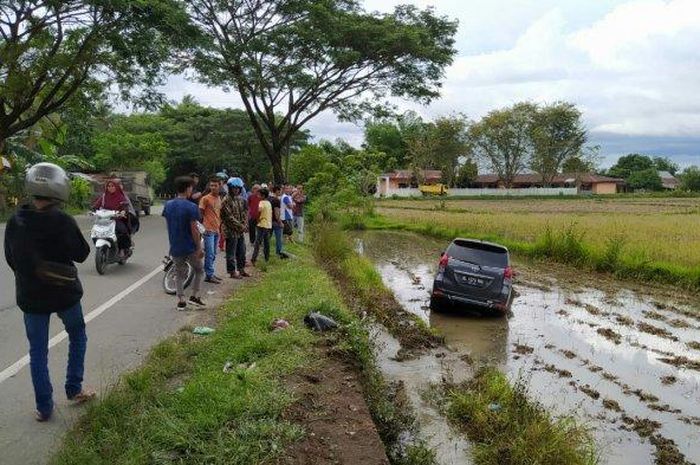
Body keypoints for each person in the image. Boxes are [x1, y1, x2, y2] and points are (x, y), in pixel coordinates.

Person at [4, 163, 94, 422]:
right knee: (77, 336)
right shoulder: (62, 220)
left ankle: (44, 408)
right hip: (64, 293)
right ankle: (74, 389)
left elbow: (11, 258)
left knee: (37, 352)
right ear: (59, 187)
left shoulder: (15, 220)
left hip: (30, 296)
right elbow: (82, 253)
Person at [163, 176, 206, 310]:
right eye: (191, 188)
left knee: (179, 273)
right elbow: (194, 230)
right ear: (188, 189)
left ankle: (181, 300)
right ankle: (194, 296)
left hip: (175, 245)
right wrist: (199, 248)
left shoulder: (168, 205)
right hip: (189, 245)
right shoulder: (192, 207)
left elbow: (168, 225)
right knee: (199, 270)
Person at [92, 178, 135, 257]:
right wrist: (93, 210)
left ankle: (122, 249)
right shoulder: (104, 196)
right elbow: (96, 205)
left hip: (117, 219)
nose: (110, 188)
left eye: (112, 186)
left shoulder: (121, 196)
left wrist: (122, 212)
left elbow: (125, 206)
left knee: (121, 231)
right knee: (97, 230)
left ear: (116, 187)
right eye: (108, 186)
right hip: (105, 219)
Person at [221, 178, 249, 279]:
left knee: (242, 251)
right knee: (231, 252)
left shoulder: (241, 199)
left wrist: (245, 224)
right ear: (229, 188)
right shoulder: (226, 200)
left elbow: (245, 212)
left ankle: (241, 269)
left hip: (240, 230)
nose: (236, 190)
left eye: (238, 188)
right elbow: (229, 217)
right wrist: (241, 226)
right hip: (230, 230)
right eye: (234, 188)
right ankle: (232, 271)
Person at [199, 176, 223, 283]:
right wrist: (201, 228)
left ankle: (210, 273)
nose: (213, 187)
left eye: (215, 185)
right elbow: (200, 214)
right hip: (208, 230)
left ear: (220, 186)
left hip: (217, 229)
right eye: (211, 185)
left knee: (213, 254)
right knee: (209, 253)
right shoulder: (205, 199)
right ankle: (209, 274)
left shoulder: (219, 198)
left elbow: (219, 214)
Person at [251, 187, 272, 264]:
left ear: (263, 196)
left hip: (261, 224)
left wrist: (257, 219)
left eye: (259, 195)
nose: (258, 196)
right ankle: (267, 258)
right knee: (266, 243)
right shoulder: (269, 203)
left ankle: (254, 258)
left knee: (257, 242)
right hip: (268, 225)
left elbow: (259, 211)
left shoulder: (261, 202)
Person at [269, 185, 286, 258]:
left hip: (269, 221)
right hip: (275, 222)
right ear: (277, 191)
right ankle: (279, 252)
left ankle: (266, 251)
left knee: (267, 238)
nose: (281, 192)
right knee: (279, 238)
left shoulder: (269, 198)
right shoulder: (276, 200)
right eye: (280, 190)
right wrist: (280, 222)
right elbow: (276, 213)